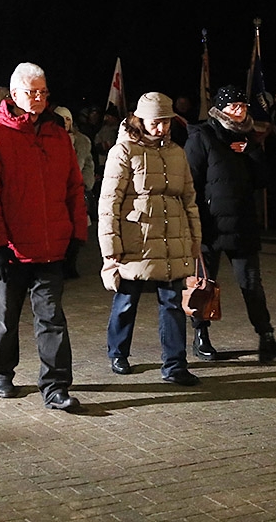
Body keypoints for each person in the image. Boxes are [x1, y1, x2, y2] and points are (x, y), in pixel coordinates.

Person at [0, 62, 88, 411]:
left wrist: (76, 235)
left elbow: (74, 188)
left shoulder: (57, 135)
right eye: (32, 92)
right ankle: (1, 371)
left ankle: (56, 386)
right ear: (14, 94)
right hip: (11, 248)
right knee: (5, 317)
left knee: (52, 319)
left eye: (43, 92)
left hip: (51, 247)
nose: (38, 98)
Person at [98, 92, 202, 385]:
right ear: (140, 120)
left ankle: (175, 365)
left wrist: (194, 238)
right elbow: (109, 202)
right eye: (155, 122)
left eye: (165, 122)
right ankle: (118, 352)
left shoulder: (177, 152)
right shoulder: (123, 151)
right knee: (126, 299)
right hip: (136, 241)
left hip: (172, 239)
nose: (161, 128)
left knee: (172, 302)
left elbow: (189, 199)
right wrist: (111, 247)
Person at [185, 85, 276, 363]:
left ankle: (266, 338)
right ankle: (201, 336)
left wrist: (251, 151)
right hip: (210, 226)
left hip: (242, 225)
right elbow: (190, 181)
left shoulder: (248, 138)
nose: (239, 111)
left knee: (252, 284)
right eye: (233, 106)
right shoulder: (203, 136)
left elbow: (262, 180)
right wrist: (193, 222)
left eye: (243, 106)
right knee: (204, 285)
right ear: (220, 109)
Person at [54, 105, 95, 279]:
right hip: (58, 191)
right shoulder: (50, 140)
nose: (65, 122)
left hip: (77, 190)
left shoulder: (82, 141)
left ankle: (71, 264)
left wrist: (85, 183)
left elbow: (88, 164)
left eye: (68, 119)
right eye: (61, 119)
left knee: (77, 229)